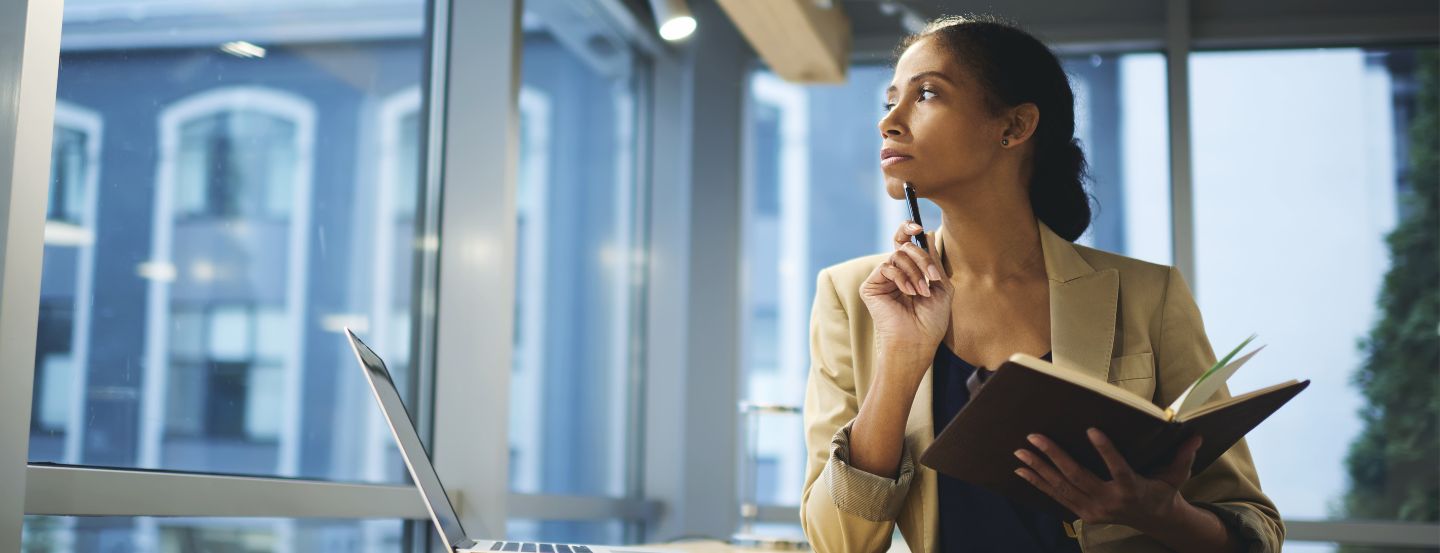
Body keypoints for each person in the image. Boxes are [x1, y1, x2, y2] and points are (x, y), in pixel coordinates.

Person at [798, 15, 1283, 553]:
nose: (888, 122)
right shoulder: (853, 297)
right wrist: (901, 359)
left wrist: (1163, 515)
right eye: (890, 101)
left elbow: (1255, 529)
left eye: (927, 94)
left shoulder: (1148, 296)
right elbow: (837, 543)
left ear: (1015, 125)